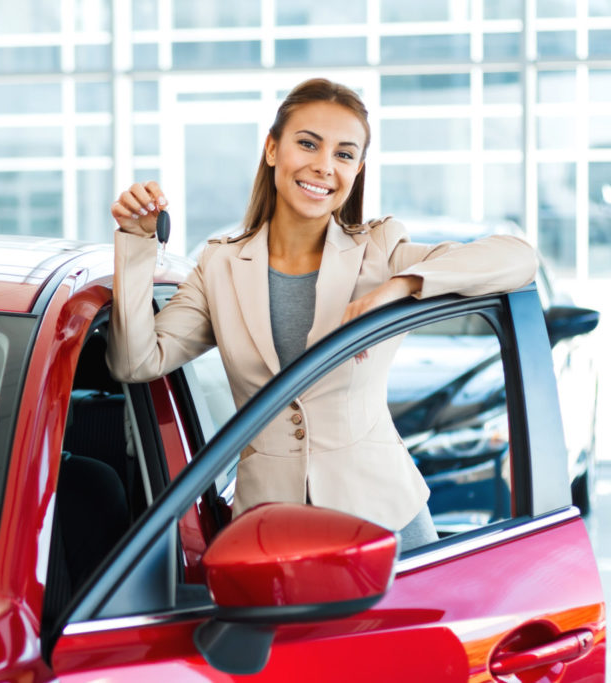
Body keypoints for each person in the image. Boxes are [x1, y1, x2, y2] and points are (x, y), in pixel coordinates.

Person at [106, 78, 537, 551]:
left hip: (385, 521)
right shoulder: (220, 265)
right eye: (308, 144)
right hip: (271, 529)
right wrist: (136, 241)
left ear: (357, 170)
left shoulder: (379, 251)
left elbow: (517, 257)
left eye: (344, 154)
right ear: (273, 149)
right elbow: (135, 361)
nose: (324, 166)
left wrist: (398, 288)